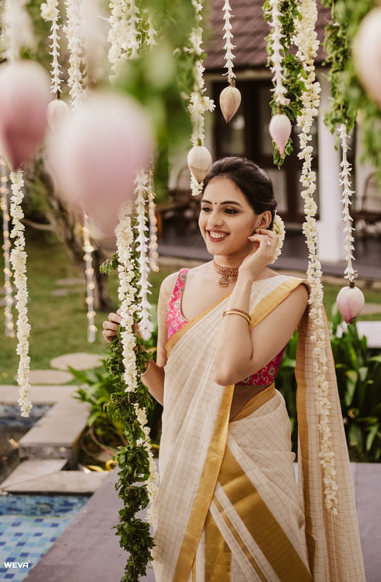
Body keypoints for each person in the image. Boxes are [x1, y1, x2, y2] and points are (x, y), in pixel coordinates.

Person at [102, 155, 365, 582]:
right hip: (186, 451)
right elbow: (174, 396)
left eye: (230, 210)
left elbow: (229, 369)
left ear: (262, 221)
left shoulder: (285, 292)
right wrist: (132, 352)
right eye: (207, 207)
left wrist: (245, 277)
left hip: (254, 452)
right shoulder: (176, 286)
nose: (213, 221)